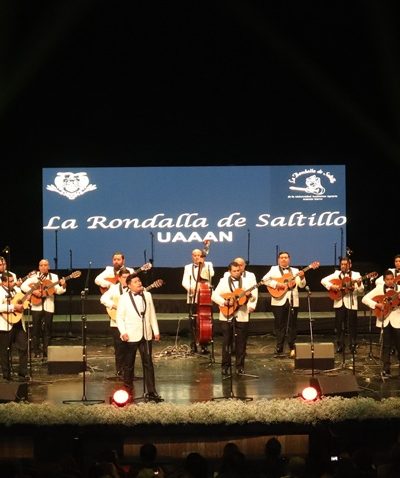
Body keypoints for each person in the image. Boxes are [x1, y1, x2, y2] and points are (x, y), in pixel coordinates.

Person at [116, 272, 163, 402]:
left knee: (148, 363)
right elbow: (119, 317)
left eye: (139, 281)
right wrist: (123, 332)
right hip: (130, 335)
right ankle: (128, 391)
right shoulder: (123, 298)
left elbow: (152, 313)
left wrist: (156, 330)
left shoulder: (147, 295)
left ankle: (152, 392)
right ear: (129, 285)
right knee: (129, 365)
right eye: (136, 282)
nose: (139, 283)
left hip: (146, 334)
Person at [212, 261, 258, 375]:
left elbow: (253, 298)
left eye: (238, 271)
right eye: (234, 271)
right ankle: (225, 366)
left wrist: (250, 297)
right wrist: (224, 302)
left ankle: (240, 366)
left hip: (242, 314)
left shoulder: (247, 282)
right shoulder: (223, 281)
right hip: (226, 314)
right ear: (229, 271)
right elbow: (214, 295)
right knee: (226, 341)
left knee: (241, 342)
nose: (237, 273)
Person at [262, 251, 306, 358]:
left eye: (286, 257)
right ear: (278, 259)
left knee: (292, 325)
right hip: (278, 300)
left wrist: (302, 277)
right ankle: (279, 346)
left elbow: (302, 285)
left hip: (292, 301)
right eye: (281, 257)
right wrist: (278, 284)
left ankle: (292, 347)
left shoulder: (295, 271)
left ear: (289, 259)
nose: (283, 259)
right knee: (279, 325)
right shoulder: (273, 269)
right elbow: (264, 280)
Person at [20, 259, 66, 359]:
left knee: (47, 330)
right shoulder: (34, 276)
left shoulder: (54, 277)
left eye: (46, 265)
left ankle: (46, 352)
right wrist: (33, 291)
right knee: (36, 330)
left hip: (49, 306)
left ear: (49, 267)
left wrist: (63, 285)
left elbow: (58, 291)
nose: (44, 267)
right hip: (36, 306)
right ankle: (36, 351)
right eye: (41, 265)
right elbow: (23, 286)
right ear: (39, 267)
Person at [320, 256, 364, 354]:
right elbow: (323, 280)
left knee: (352, 326)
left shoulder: (356, 275)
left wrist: (358, 285)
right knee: (339, 326)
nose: (343, 266)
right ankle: (340, 345)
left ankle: (353, 345)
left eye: (345, 264)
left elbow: (361, 290)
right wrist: (332, 286)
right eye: (342, 264)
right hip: (339, 302)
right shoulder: (336, 274)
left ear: (350, 265)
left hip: (351, 303)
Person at [362, 269, 400, 378]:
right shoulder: (379, 289)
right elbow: (364, 299)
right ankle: (385, 369)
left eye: (391, 279)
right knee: (386, 346)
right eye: (387, 279)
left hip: (397, 320)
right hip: (384, 319)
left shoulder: (399, 289)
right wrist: (376, 305)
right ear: (384, 280)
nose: (390, 281)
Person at [100, 267, 133, 378]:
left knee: (130, 348)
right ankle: (119, 371)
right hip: (116, 323)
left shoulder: (133, 288)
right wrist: (114, 305)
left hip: (130, 322)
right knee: (119, 348)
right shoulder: (114, 288)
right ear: (119, 278)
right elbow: (103, 299)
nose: (126, 280)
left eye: (128, 277)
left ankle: (129, 371)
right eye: (124, 277)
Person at [182, 244, 214, 354]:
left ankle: (205, 344)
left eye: (199, 255)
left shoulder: (208, 265)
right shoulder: (187, 267)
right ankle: (193, 344)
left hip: (205, 297)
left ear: (202, 256)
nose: (197, 257)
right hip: (193, 297)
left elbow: (210, 275)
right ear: (192, 256)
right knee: (193, 322)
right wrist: (189, 288)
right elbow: (184, 281)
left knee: (206, 322)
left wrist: (203, 265)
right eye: (195, 255)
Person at [0, 272, 28, 381]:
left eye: (13, 281)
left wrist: (25, 303)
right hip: (5, 324)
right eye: (10, 281)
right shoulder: (0, 291)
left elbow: (22, 301)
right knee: (5, 351)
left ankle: (22, 374)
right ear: (3, 282)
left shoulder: (16, 290)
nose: (13, 283)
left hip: (18, 323)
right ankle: (6, 375)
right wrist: (13, 307)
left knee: (23, 347)